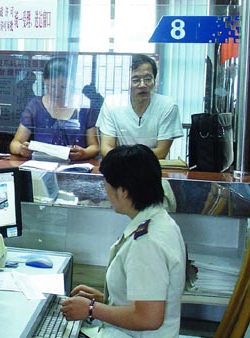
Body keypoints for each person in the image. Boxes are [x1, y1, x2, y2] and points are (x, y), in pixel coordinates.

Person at [61, 144, 186, 337]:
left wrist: (92, 309)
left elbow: (149, 318)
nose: (106, 191)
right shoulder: (161, 221)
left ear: (123, 191)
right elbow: (148, 296)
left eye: (106, 185)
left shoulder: (147, 243)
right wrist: (107, 300)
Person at [10, 56, 100, 161]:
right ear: (45, 81)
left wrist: (84, 153)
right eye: (52, 87)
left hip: (75, 166)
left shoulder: (84, 107)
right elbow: (15, 143)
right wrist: (21, 149)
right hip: (41, 165)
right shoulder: (35, 106)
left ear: (72, 82)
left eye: (63, 87)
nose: (57, 92)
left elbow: (95, 147)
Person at [96, 54, 183, 159]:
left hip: (152, 166)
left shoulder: (168, 105)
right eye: (135, 80)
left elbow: (161, 152)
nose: (142, 85)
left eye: (148, 79)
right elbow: (106, 148)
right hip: (118, 166)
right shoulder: (111, 103)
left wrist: (124, 156)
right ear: (126, 82)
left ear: (154, 80)